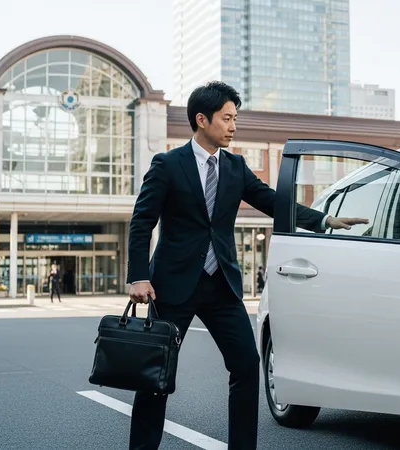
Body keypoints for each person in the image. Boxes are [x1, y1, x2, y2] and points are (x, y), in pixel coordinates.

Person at [125, 80, 368, 450]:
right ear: (202, 119)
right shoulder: (168, 165)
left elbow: (272, 201)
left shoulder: (236, 167)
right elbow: (142, 222)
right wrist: (138, 277)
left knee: (245, 365)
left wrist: (323, 220)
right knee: (156, 374)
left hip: (221, 285)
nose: (233, 126)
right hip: (172, 285)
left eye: (235, 118)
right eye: (227, 118)